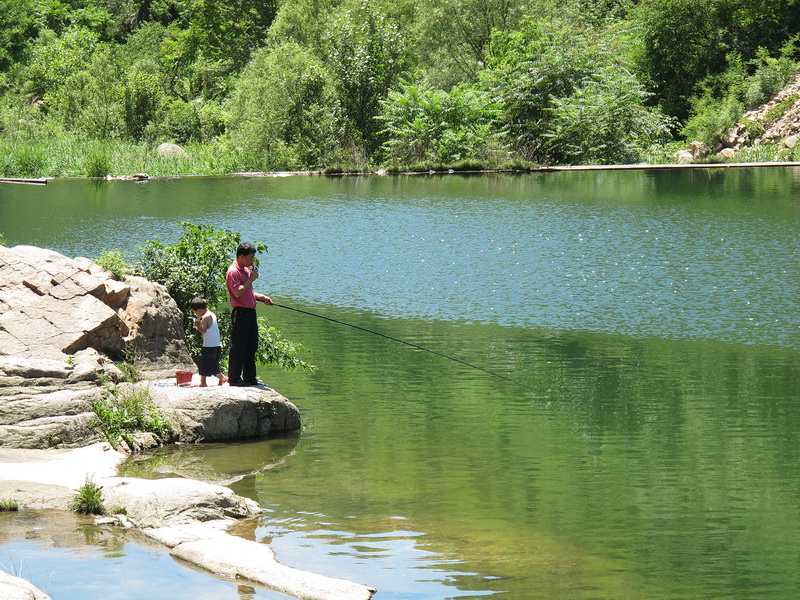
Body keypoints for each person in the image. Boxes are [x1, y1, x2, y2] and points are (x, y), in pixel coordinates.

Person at [226, 242, 273, 386]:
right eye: (251, 258)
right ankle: (234, 379)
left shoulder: (245, 269)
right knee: (239, 347)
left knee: (251, 347)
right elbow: (237, 291)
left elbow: (247, 291)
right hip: (241, 314)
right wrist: (251, 279)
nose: (252, 261)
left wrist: (261, 297)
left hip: (250, 313)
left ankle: (250, 378)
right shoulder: (233, 271)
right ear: (241, 257)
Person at [189, 297, 228, 387]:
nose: (196, 314)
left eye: (195, 312)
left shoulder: (206, 317)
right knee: (214, 364)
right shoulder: (211, 314)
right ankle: (222, 378)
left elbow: (203, 331)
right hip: (217, 344)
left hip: (209, 345)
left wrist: (198, 325)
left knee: (204, 363)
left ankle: (203, 382)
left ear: (198, 310)